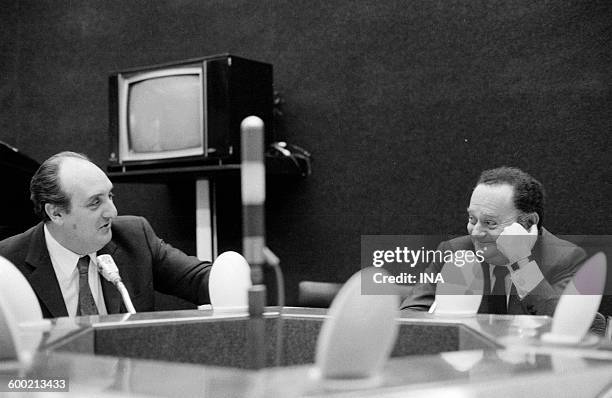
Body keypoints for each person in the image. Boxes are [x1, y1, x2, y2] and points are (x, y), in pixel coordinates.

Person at [0, 151, 212, 318]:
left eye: (110, 195)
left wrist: (240, 278)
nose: (113, 212)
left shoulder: (134, 237)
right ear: (56, 213)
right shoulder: (7, 264)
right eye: (95, 202)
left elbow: (200, 279)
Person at [401, 166, 589, 318]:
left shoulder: (566, 259)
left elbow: (562, 329)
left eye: (490, 223)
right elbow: (408, 317)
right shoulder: (454, 251)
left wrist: (521, 263)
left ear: (529, 222)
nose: (476, 233)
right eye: (472, 219)